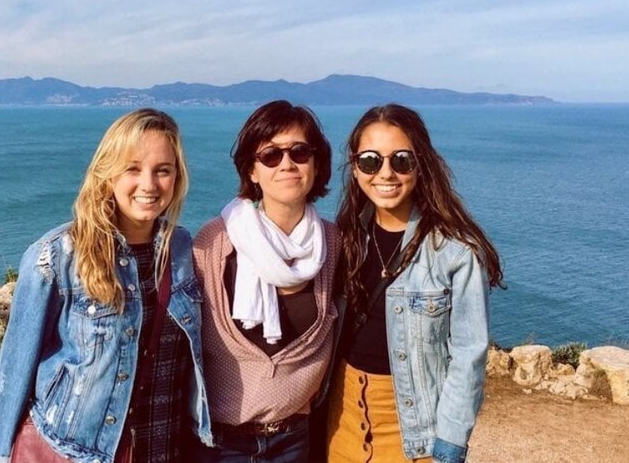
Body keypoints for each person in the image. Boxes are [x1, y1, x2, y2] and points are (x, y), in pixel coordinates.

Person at [0, 109, 212, 463]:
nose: (149, 184)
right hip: (76, 452)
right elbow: (15, 367)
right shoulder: (58, 256)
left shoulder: (181, 250)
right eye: (132, 168)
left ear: (177, 178)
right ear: (108, 174)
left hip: (165, 449)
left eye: (162, 170)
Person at [326, 104, 503, 463]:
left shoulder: (455, 252)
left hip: (413, 436)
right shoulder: (343, 238)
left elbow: (469, 354)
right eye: (371, 161)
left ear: (421, 162)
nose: (386, 173)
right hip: (339, 421)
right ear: (355, 165)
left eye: (401, 160)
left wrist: (449, 446)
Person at [191, 100, 341, 463]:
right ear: (252, 171)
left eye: (300, 152)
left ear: (316, 163)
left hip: (295, 441)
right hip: (219, 445)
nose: (287, 164)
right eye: (270, 155)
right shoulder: (213, 243)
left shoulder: (334, 245)